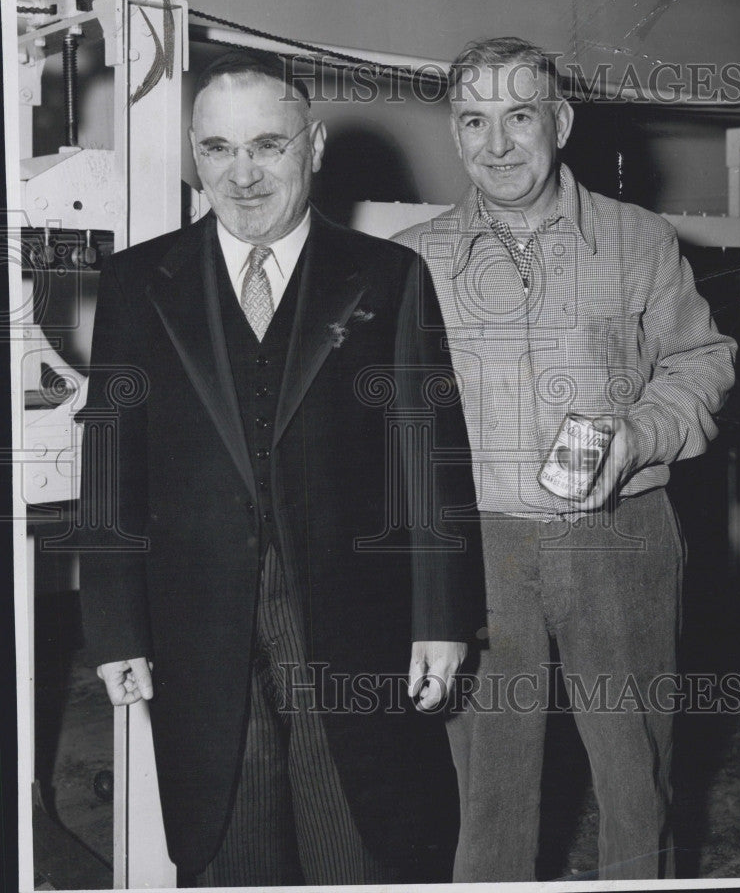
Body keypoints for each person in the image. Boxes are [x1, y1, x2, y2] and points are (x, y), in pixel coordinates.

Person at [78, 51, 484, 887]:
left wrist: (441, 617)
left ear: (317, 144)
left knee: (359, 843)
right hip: (196, 626)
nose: (244, 173)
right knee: (231, 844)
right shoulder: (134, 284)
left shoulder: (387, 276)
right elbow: (111, 464)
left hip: (352, 620)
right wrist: (115, 625)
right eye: (218, 149)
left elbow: (427, 452)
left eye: (268, 144)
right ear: (194, 153)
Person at [395, 36, 736, 881]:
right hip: (479, 553)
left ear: (563, 120)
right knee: (489, 796)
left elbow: (703, 360)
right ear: (455, 131)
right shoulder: (413, 259)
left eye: (520, 116)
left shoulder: (640, 239)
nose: (498, 144)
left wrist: (636, 437)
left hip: (621, 539)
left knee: (636, 778)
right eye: (474, 120)